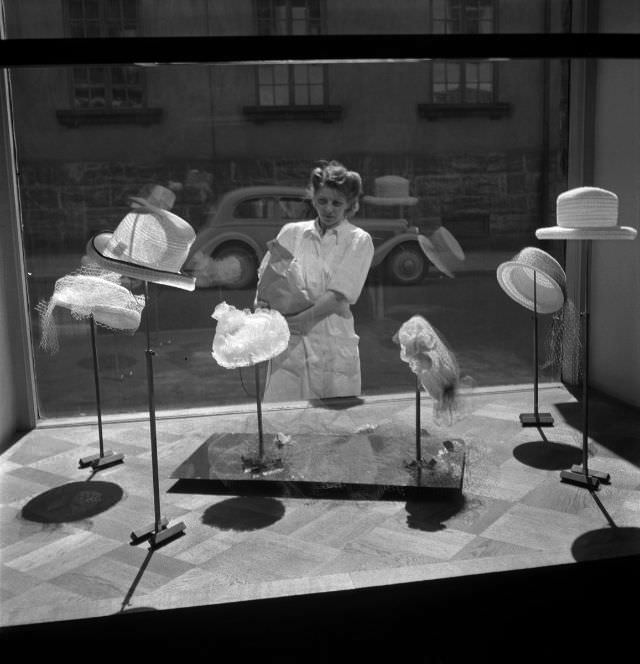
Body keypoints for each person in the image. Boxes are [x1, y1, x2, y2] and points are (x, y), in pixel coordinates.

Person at [257, 160, 374, 402]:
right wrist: (263, 311)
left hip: (332, 341)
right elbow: (268, 280)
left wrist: (297, 321)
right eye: (322, 201)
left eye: (337, 203)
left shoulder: (359, 240)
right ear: (313, 199)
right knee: (284, 423)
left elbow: (339, 295)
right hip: (290, 345)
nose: (329, 209)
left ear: (350, 205)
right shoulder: (291, 233)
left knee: (333, 430)